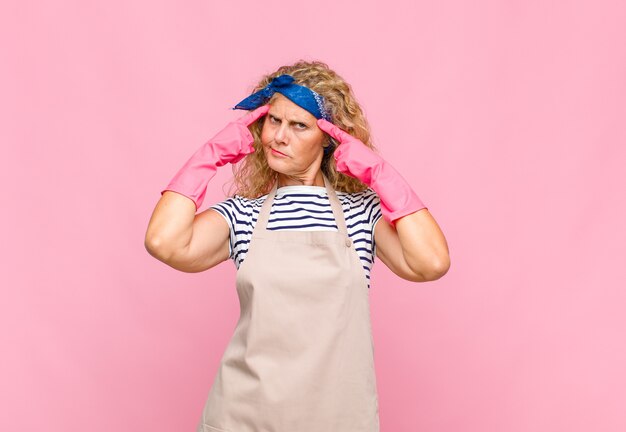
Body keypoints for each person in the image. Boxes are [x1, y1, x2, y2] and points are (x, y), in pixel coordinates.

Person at [145, 60, 450, 432]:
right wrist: (210, 155)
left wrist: (379, 173)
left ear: (329, 137)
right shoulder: (242, 214)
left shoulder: (363, 213)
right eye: (274, 120)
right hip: (243, 419)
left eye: (299, 125)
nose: (279, 137)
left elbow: (431, 262)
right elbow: (164, 242)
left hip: (336, 421)